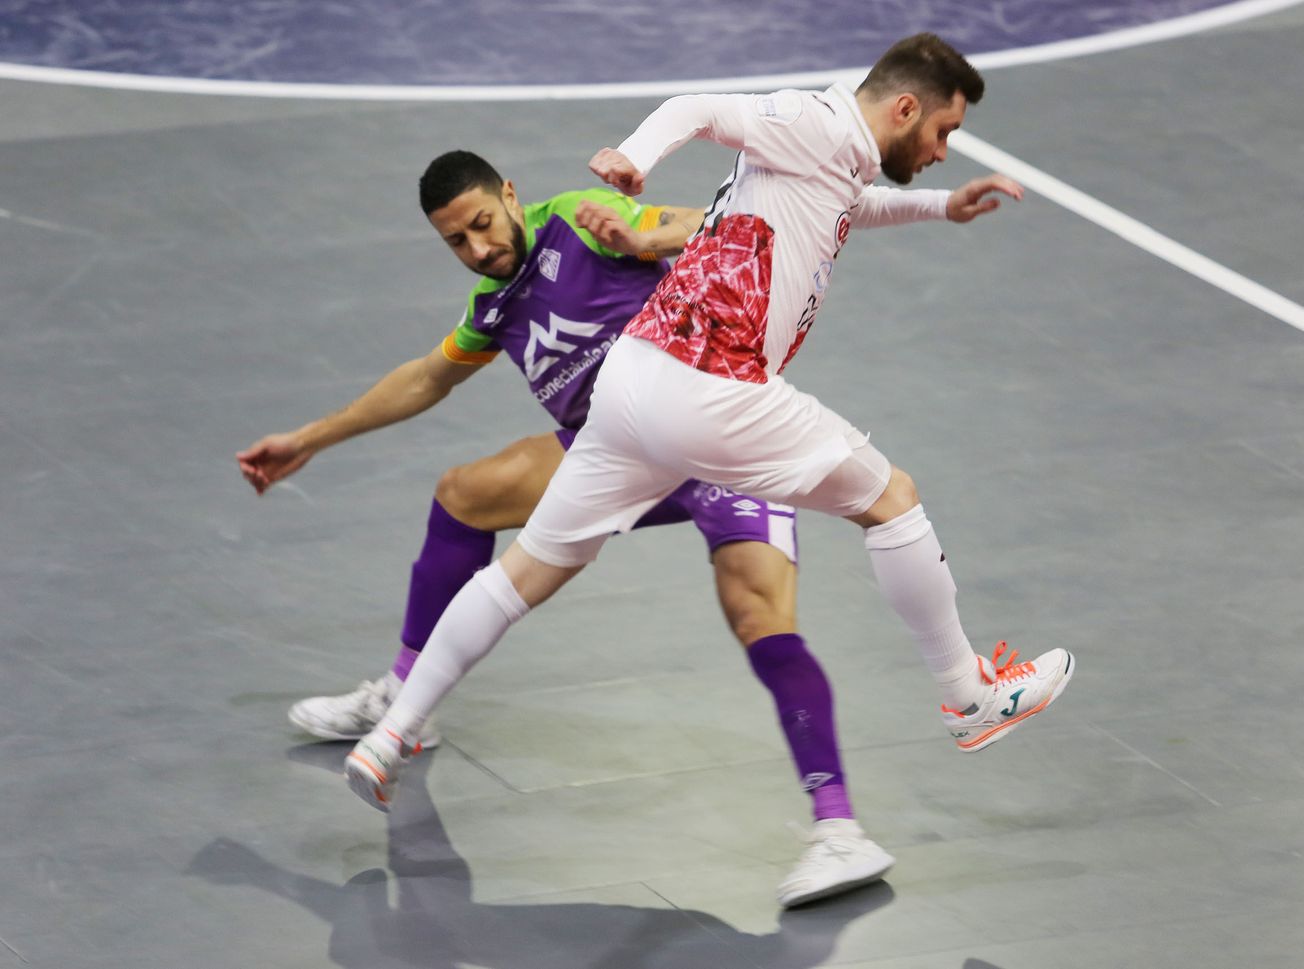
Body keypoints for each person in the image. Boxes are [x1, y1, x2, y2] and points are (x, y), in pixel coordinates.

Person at [347, 33, 1075, 827]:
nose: (942, 150)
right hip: (715, 387)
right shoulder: (816, 123)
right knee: (893, 500)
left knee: (522, 572)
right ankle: (967, 695)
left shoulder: (828, 154)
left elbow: (847, 205)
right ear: (906, 107)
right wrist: (632, 160)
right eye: (943, 132)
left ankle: (390, 733)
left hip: (632, 380)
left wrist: (942, 205)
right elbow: (697, 108)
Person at [236, 150, 891, 907]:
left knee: (760, 616)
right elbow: (426, 377)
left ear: (509, 195)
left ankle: (840, 831)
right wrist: (311, 438)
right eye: (456, 241)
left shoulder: (581, 224)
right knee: (466, 494)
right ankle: (408, 694)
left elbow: (699, 225)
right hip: (611, 458)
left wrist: (647, 237)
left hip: (713, 444)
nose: (478, 249)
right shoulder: (494, 301)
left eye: (483, 223)